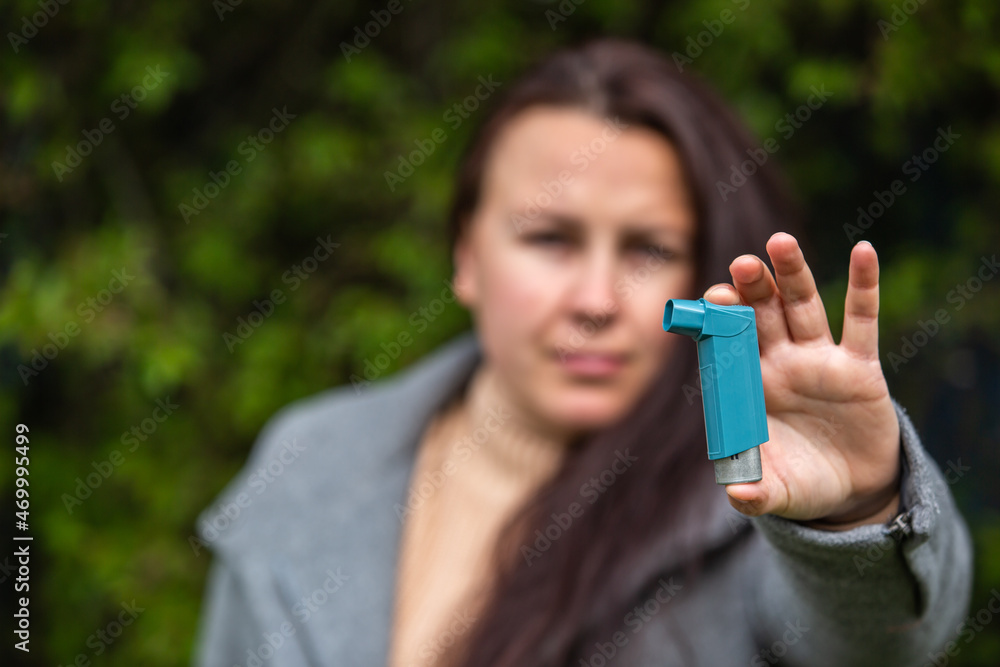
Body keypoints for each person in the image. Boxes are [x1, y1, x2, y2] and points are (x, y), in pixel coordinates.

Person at [192, 38, 972, 667]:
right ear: (466, 255)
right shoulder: (313, 459)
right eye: (550, 238)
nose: (597, 299)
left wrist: (853, 516)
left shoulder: (752, 497)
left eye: (648, 248)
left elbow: (882, 640)